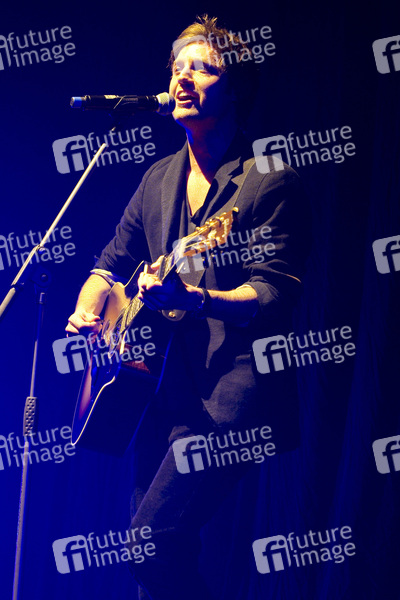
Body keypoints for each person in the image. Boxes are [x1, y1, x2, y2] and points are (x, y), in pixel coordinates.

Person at [66, 15, 310, 600]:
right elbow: (110, 261)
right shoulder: (158, 178)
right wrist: (90, 304)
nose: (183, 78)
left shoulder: (267, 180)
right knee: (153, 560)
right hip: (156, 389)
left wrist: (194, 299)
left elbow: (274, 293)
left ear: (237, 88)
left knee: (150, 544)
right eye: (178, 68)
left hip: (232, 391)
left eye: (204, 69)